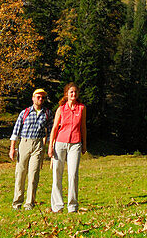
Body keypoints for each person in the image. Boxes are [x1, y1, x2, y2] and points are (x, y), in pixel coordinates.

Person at [9, 88, 52, 210]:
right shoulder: (25, 112)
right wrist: (12, 148)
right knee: (20, 173)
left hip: (38, 145)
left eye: (42, 97)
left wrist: (50, 147)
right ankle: (17, 203)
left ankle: (29, 203)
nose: (40, 99)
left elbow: (50, 132)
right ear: (33, 98)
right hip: (24, 143)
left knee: (33, 175)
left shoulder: (47, 114)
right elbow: (15, 132)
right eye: (38, 97)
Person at [48, 82, 87, 213]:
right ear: (66, 94)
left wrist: (84, 144)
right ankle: (57, 205)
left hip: (75, 143)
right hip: (60, 143)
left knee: (73, 174)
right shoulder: (61, 109)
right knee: (57, 174)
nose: (73, 94)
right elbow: (54, 128)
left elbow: (83, 127)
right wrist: (50, 146)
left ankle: (72, 206)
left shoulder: (81, 108)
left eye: (75, 92)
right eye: (71, 92)